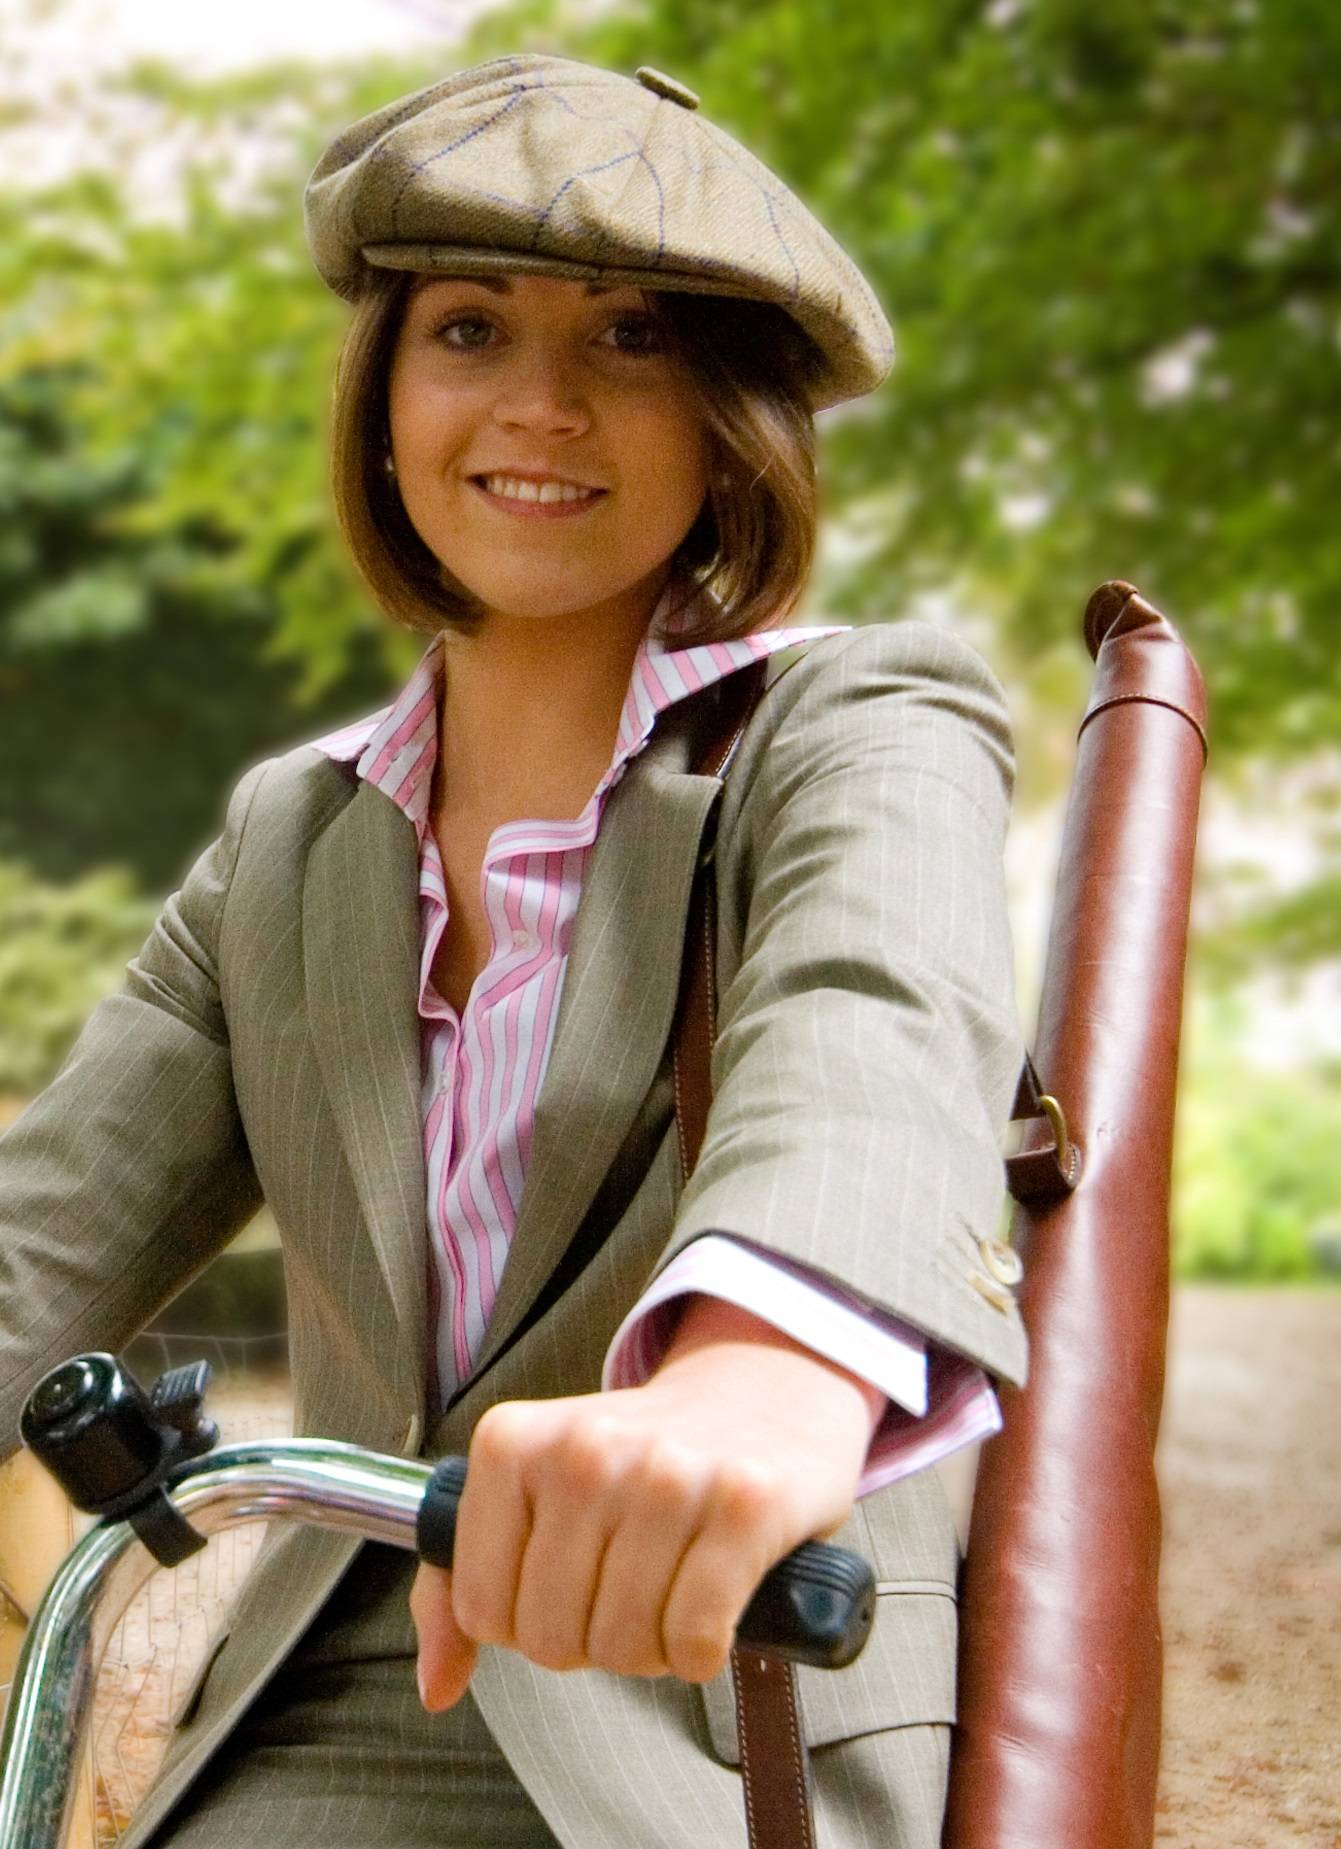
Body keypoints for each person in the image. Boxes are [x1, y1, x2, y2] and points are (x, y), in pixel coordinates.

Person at [0, 52, 1028, 1848]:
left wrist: (754, 1376)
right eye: (469, 330)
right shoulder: (286, 839)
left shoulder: (855, 722)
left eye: (631, 339)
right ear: (385, 396)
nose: (540, 402)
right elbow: (42, 1237)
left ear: (730, 414)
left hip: (722, 1698)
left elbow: (874, 1027)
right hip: (329, 1700)